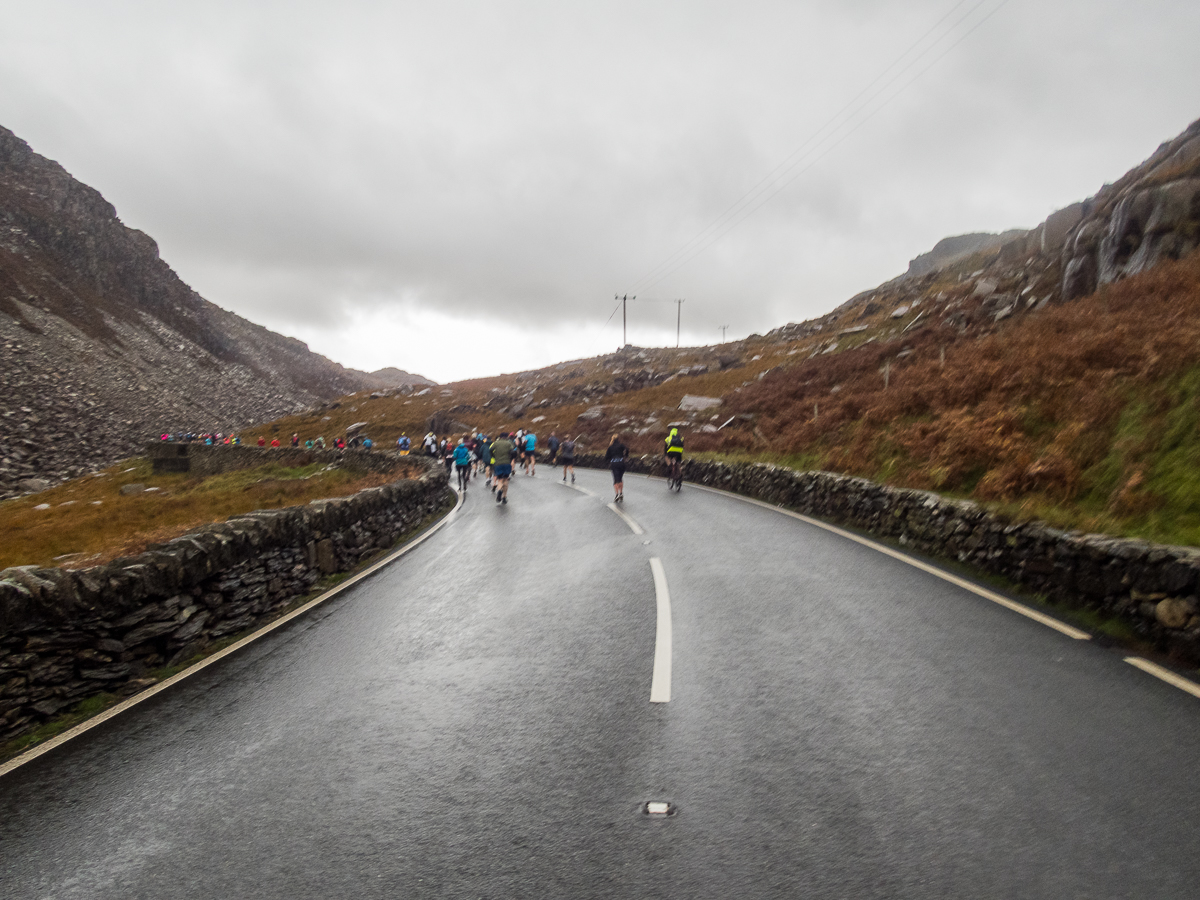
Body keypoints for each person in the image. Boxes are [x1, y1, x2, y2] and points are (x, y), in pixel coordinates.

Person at [490, 432, 516, 504]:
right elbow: (513, 451)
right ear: (507, 436)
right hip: (506, 463)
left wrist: (494, 456)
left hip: (498, 463)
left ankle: (499, 491)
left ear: (500, 437)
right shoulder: (509, 443)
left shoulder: (496, 443)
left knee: (500, 480)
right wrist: (511, 458)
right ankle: (504, 497)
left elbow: (490, 450)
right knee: (506, 480)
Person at [606, 433, 628, 503]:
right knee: (620, 478)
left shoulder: (610, 447)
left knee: (616, 479)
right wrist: (626, 456)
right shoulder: (621, 445)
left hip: (614, 463)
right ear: (618, 439)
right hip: (621, 463)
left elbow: (606, 457)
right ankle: (621, 493)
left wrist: (609, 459)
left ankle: (617, 494)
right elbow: (627, 449)